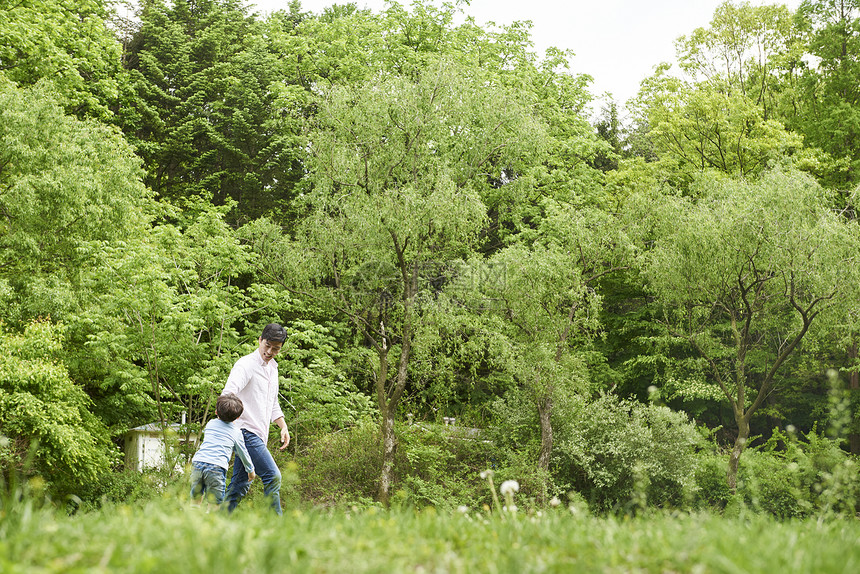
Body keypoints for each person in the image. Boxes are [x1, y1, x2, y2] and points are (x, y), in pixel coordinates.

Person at [222, 323, 290, 514]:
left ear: (280, 348)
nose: (269, 351)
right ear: (260, 340)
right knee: (273, 476)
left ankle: (215, 523)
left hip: (260, 435)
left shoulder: (272, 369)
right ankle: (277, 528)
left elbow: (272, 402)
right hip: (245, 432)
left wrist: (282, 426)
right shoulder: (246, 365)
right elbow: (228, 394)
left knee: (240, 485)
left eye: (275, 349)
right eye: (267, 345)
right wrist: (232, 426)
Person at [189, 393, 256, 507]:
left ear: (216, 412)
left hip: (198, 463)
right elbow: (242, 453)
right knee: (214, 503)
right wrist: (250, 470)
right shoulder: (236, 432)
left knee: (195, 499)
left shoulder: (210, 424)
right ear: (238, 417)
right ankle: (211, 522)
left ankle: (191, 520)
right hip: (216, 467)